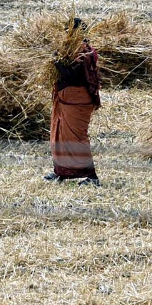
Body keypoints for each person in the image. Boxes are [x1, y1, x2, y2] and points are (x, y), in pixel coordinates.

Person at [44, 18, 102, 186]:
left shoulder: (84, 53)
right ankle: (61, 172)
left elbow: (72, 75)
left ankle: (92, 177)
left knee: (77, 138)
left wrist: (55, 62)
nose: (64, 35)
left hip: (77, 101)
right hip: (65, 100)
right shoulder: (71, 50)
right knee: (60, 136)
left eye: (67, 32)